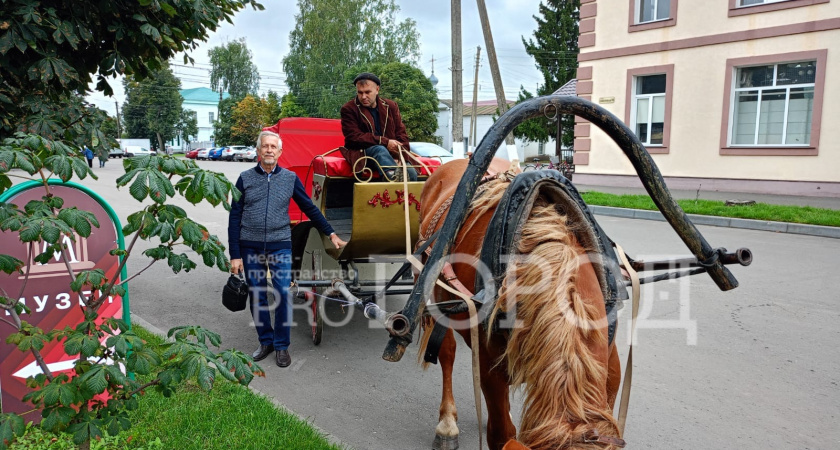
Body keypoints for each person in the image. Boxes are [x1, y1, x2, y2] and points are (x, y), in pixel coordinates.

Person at [228, 131, 346, 368]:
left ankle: (282, 346)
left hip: (280, 245)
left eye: (274, 146)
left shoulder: (290, 178)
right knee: (258, 296)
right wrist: (235, 255)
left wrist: (330, 232)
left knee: (283, 293)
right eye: (265, 146)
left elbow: (311, 209)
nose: (269, 150)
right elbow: (235, 217)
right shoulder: (244, 179)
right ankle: (266, 342)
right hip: (249, 247)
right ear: (258, 151)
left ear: (280, 152)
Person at [339, 72, 419, 181]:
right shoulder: (349, 109)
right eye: (360, 93)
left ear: (377, 89)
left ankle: (408, 195)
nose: (363, 97)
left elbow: (401, 134)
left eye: (367, 92)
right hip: (362, 154)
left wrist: (401, 156)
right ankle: (391, 179)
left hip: (392, 155)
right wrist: (385, 142)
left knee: (411, 173)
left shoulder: (391, 106)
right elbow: (354, 137)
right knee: (380, 150)